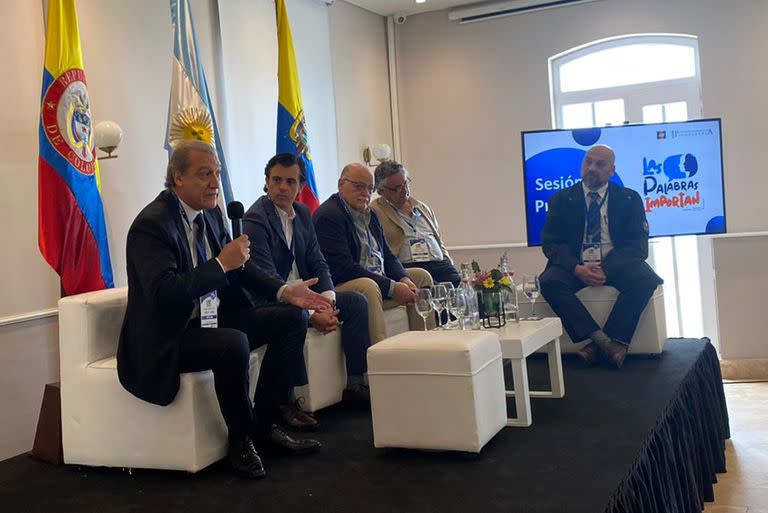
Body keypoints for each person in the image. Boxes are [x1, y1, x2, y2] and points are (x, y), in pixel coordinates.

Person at [117, 140, 330, 480]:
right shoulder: (152, 225)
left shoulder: (212, 215)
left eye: (216, 173)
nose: (215, 182)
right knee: (232, 343)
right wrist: (219, 265)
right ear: (177, 178)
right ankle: (241, 438)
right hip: (169, 335)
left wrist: (285, 292)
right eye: (204, 174)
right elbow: (164, 293)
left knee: (291, 318)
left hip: (209, 318)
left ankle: (266, 422)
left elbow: (240, 268)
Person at [243, 153, 372, 405]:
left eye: (290, 182)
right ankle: (290, 401)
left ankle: (356, 384)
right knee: (295, 317)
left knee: (356, 302)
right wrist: (313, 313)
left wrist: (328, 303)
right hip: (276, 299)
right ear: (266, 182)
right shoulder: (255, 219)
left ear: (301, 186)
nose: (283, 187)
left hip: (308, 297)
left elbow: (319, 263)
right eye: (277, 180)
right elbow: (268, 279)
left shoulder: (302, 214)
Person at [539, 144, 663, 368]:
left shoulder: (629, 199)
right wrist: (577, 268)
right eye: (588, 162)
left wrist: (606, 269)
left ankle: (598, 346)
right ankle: (605, 342)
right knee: (548, 282)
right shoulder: (560, 200)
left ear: (611, 171)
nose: (592, 168)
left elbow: (637, 246)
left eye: (600, 164)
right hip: (576, 266)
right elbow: (551, 244)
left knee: (645, 278)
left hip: (615, 264)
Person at [313, 163, 434, 345]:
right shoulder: (329, 215)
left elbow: (388, 255)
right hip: (344, 284)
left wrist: (403, 279)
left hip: (377, 278)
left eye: (370, 189)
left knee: (421, 277)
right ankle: (378, 358)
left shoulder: (371, 214)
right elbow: (344, 269)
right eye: (359, 186)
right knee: (368, 286)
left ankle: (426, 346)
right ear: (341, 184)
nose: (365, 193)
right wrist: (392, 287)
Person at [371, 160, 461, 287]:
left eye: (405, 183)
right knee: (435, 292)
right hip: (409, 267)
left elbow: (438, 240)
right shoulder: (375, 211)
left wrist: (448, 261)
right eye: (397, 188)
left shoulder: (423, 208)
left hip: (439, 264)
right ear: (380, 191)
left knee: (460, 288)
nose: (404, 190)